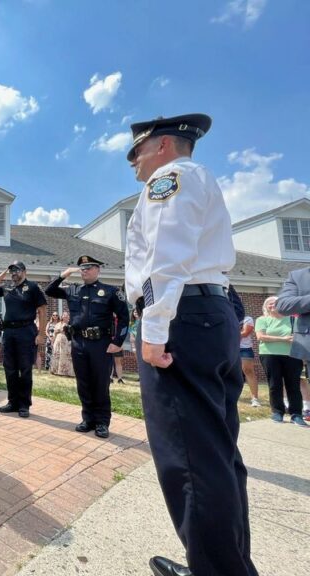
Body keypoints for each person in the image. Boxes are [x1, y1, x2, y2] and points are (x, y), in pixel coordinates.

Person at [124, 113, 259, 576]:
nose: (135, 164)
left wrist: (154, 328)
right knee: (217, 453)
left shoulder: (170, 176)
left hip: (180, 319)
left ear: (161, 145)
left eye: (137, 152)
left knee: (189, 458)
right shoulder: (198, 178)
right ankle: (229, 563)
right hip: (208, 312)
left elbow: (167, 254)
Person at [45, 255, 129, 438]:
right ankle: (88, 419)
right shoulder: (73, 290)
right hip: (78, 342)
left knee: (100, 383)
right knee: (83, 383)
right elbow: (49, 290)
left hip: (101, 344)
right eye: (82, 268)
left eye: (90, 267)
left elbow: (124, 317)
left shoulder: (110, 291)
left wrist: (117, 342)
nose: (85, 270)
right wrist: (63, 275)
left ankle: (102, 422)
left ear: (98, 269)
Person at [0, 261, 47, 418]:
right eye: (11, 271)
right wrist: (1, 276)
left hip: (26, 331)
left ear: (24, 271)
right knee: (9, 368)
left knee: (24, 369)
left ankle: (24, 405)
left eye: (16, 270)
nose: (14, 273)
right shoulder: (7, 288)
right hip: (9, 332)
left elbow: (42, 311)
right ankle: (12, 402)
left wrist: (41, 334)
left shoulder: (32, 287)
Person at [258, 295, 306, 426]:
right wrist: (284, 339)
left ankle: (296, 414)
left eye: (275, 303)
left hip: (292, 355)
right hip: (269, 355)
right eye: (270, 304)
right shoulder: (262, 320)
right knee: (275, 385)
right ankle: (277, 412)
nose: (272, 305)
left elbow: (303, 335)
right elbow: (261, 336)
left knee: (293, 385)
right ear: (265, 306)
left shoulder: (293, 320)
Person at [239, 314, 260, 407]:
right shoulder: (226, 315)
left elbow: (245, 333)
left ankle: (255, 398)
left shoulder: (247, 318)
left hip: (244, 348)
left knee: (248, 371)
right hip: (228, 347)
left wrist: (228, 333)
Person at [50, 310, 73, 377]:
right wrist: (52, 341)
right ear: (62, 317)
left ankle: (66, 372)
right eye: (64, 316)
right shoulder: (58, 324)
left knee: (66, 356)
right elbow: (54, 334)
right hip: (58, 341)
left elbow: (72, 333)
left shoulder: (70, 324)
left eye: (67, 316)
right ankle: (55, 371)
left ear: (68, 317)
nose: (65, 317)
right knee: (57, 355)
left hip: (66, 341)